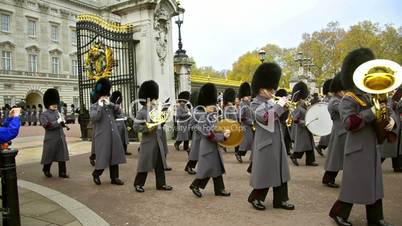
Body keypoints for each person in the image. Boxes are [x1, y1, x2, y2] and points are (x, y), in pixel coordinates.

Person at [329, 48, 394, 226]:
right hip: (357, 148)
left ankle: (375, 218)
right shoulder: (349, 99)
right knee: (353, 185)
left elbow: (387, 111)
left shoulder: (371, 95)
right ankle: (338, 213)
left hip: (372, 147)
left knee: (374, 185)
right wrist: (371, 113)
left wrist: (391, 122)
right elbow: (349, 123)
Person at [247, 62, 294, 211]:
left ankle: (281, 200)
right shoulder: (255, 104)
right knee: (265, 173)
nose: (273, 91)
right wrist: (279, 105)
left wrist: (285, 108)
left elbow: (279, 119)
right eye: (270, 88)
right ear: (262, 89)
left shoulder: (270, 102)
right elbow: (266, 118)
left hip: (277, 142)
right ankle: (256, 197)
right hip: (265, 144)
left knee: (280, 172)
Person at [189, 83, 231, 198]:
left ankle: (219, 189)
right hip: (207, 147)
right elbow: (209, 134)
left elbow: (216, 129)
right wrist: (223, 137)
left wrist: (224, 131)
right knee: (207, 169)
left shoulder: (211, 116)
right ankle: (196, 185)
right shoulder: (203, 117)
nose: (214, 107)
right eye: (212, 106)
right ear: (206, 106)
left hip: (213, 147)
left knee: (216, 168)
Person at [133, 80, 172, 192]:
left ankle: (161, 184)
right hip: (148, 142)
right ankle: (138, 184)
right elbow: (136, 127)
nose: (155, 100)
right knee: (144, 163)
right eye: (154, 99)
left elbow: (159, 124)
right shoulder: (141, 112)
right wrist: (147, 128)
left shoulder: (155, 111)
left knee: (159, 164)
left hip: (158, 141)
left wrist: (164, 116)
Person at [90, 78, 126, 186]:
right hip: (102, 136)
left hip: (113, 134)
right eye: (103, 96)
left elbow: (119, 112)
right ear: (99, 96)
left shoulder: (110, 105)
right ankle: (96, 174)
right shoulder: (94, 106)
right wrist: (100, 106)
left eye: (106, 95)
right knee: (103, 157)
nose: (105, 97)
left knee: (114, 156)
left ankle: (114, 177)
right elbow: (95, 118)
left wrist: (110, 104)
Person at [322, 74, 346, 188]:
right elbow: (344, 110)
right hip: (339, 132)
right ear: (337, 90)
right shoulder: (335, 101)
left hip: (343, 131)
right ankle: (328, 179)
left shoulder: (339, 99)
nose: (344, 92)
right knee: (335, 158)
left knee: (339, 157)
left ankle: (328, 178)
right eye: (342, 90)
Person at [40, 89, 70, 178]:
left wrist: (64, 123)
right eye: (53, 104)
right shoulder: (44, 115)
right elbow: (47, 126)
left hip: (60, 137)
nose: (55, 105)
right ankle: (46, 169)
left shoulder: (57, 112)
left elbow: (61, 124)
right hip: (51, 138)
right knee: (49, 155)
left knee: (62, 155)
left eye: (55, 104)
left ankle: (62, 172)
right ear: (48, 104)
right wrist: (58, 121)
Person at [289, 82, 318, 166]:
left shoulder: (304, 105)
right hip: (301, 130)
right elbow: (295, 119)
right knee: (303, 146)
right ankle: (294, 156)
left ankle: (310, 161)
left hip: (306, 129)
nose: (304, 99)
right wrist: (304, 123)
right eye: (303, 98)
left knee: (309, 145)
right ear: (300, 98)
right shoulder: (298, 107)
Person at [378, 95, 402, 172]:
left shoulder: (396, 96)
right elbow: (388, 108)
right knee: (385, 148)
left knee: (396, 147)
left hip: (396, 122)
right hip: (389, 123)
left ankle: (397, 166)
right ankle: (372, 166)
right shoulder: (387, 96)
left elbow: (398, 107)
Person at [235, 82, 254, 163]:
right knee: (245, 143)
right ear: (244, 96)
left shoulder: (249, 103)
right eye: (248, 95)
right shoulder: (242, 104)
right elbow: (241, 117)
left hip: (249, 126)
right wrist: (251, 122)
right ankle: (239, 154)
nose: (250, 96)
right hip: (245, 126)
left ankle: (253, 158)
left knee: (250, 143)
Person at [110, 91, 131, 155]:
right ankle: (119, 151)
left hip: (122, 123)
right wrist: (116, 104)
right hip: (117, 124)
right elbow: (113, 114)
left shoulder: (118, 105)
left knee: (124, 139)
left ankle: (124, 150)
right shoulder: (113, 106)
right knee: (119, 139)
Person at [184, 91, 201, 175]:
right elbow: (191, 125)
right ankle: (189, 167)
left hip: (203, 136)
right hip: (198, 136)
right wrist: (199, 128)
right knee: (195, 153)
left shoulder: (200, 109)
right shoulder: (196, 111)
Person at [316, 79, 333, 156]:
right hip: (328, 118)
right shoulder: (327, 98)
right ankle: (320, 146)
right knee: (328, 135)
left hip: (330, 118)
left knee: (328, 136)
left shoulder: (329, 97)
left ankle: (320, 146)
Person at [276, 88, 292, 155]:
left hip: (284, 123)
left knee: (287, 138)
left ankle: (287, 151)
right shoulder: (278, 104)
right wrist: (285, 109)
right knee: (281, 138)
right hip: (280, 123)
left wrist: (288, 109)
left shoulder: (285, 104)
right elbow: (278, 115)